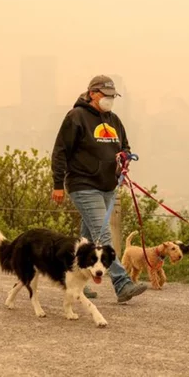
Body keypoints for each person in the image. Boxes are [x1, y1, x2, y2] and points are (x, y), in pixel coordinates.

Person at [51, 75, 148, 302]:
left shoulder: (114, 120)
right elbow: (60, 151)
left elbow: (125, 146)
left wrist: (124, 160)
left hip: (107, 187)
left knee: (86, 239)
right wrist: (58, 184)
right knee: (103, 234)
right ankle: (122, 284)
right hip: (83, 184)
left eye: (113, 96)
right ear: (93, 93)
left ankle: (77, 281)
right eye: (107, 96)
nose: (110, 100)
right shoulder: (76, 117)